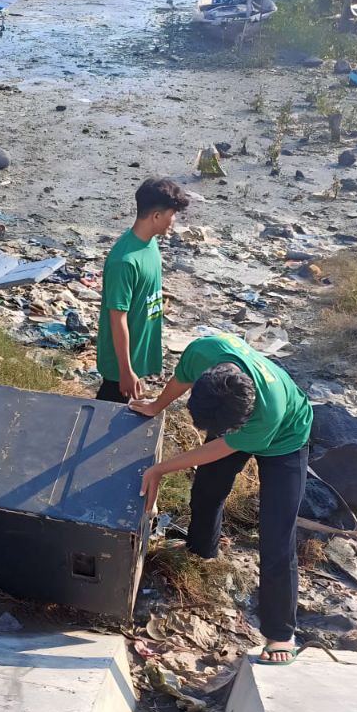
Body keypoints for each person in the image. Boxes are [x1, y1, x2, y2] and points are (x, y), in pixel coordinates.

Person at [131, 334, 313, 666]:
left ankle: (280, 632)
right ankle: (201, 554)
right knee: (205, 491)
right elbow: (181, 380)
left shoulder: (267, 409)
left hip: (287, 438)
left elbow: (222, 447)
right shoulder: (204, 352)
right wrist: (157, 405)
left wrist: (160, 470)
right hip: (235, 420)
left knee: (277, 537)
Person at [96, 177, 189, 404]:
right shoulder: (125, 261)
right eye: (171, 214)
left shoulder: (151, 243)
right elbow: (117, 319)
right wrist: (126, 371)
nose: (174, 220)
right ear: (156, 216)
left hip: (140, 350)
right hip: (121, 363)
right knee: (106, 411)